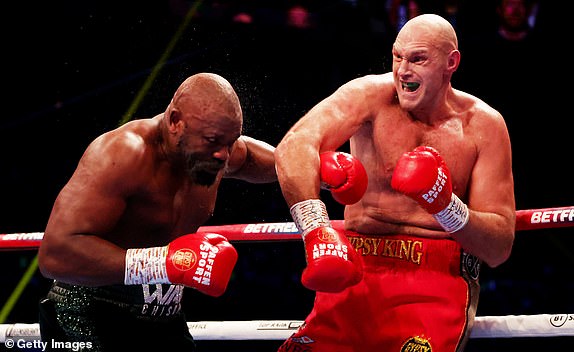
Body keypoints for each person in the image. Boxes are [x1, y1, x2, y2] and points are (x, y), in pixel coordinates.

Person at [275, 13, 515, 352]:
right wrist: (317, 228)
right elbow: (296, 144)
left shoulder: (483, 127)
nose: (403, 70)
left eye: (417, 59)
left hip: (436, 283)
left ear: (451, 62)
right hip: (354, 272)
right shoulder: (369, 97)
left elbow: (499, 247)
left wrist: (446, 206)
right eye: (397, 57)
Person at [37, 72, 277, 351]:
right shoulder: (123, 154)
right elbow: (55, 254)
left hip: (163, 318)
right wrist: (162, 263)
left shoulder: (214, 153)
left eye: (231, 140)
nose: (224, 154)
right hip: (87, 314)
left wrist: (316, 170)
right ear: (175, 121)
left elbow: (248, 157)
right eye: (213, 140)